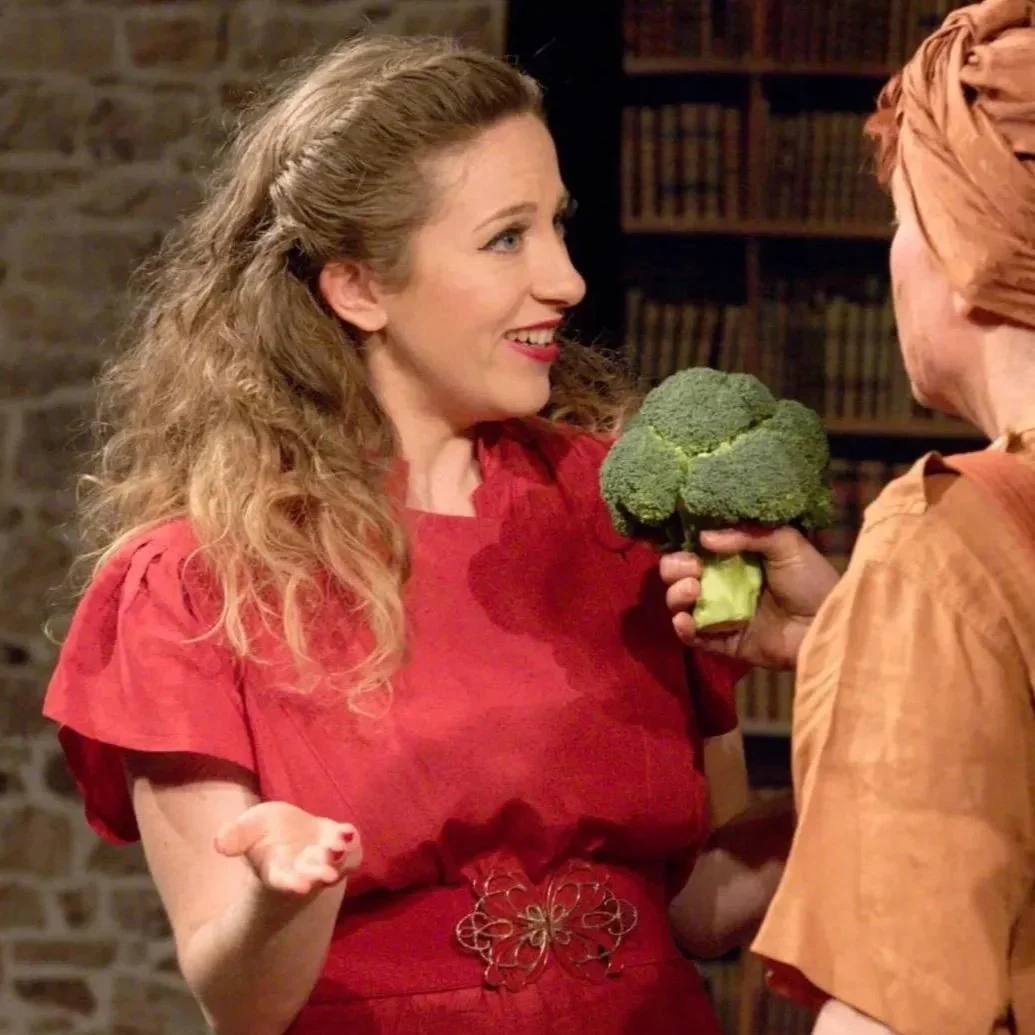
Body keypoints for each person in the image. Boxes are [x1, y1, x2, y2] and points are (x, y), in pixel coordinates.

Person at [43, 35, 790, 1035]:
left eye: (557, 226)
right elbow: (241, 1003)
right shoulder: (198, 579)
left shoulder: (628, 515)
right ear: (358, 287)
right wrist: (280, 894)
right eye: (506, 238)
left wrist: (885, 771)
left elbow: (699, 908)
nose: (567, 280)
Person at [662, 1, 1035, 1032]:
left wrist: (905, 618)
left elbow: (895, 1003)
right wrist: (849, 641)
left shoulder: (946, 538)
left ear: (968, 239)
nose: (895, 257)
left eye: (904, 219)